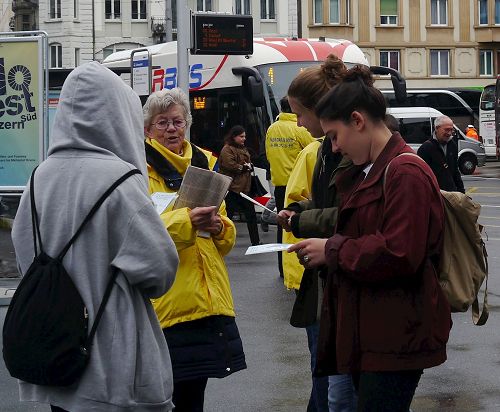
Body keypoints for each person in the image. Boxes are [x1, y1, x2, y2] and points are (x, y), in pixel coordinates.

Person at [11, 62, 179, 412]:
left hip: (56, 357)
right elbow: (159, 272)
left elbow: (26, 253)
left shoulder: (39, 177)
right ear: (118, 114)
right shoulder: (121, 181)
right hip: (113, 370)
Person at [289, 66, 452, 411]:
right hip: (378, 333)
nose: (335, 147)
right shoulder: (371, 169)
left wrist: (331, 250)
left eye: (335, 136)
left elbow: (399, 252)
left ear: (358, 121)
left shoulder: (405, 171)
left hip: (395, 336)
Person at [143, 88, 246, 412]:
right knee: (167, 397)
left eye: (177, 121)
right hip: (168, 303)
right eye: (162, 123)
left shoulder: (205, 163)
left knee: (193, 398)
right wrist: (187, 221)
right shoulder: (139, 169)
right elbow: (141, 233)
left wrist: (219, 227)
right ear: (148, 129)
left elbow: (225, 242)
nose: (171, 129)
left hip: (208, 300)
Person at [277, 54, 358, 412]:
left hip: (343, 281)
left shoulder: (343, 149)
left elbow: (351, 213)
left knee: (336, 392)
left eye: (300, 113)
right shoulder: (325, 147)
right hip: (328, 281)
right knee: (328, 385)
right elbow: (326, 201)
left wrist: (300, 220)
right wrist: (300, 210)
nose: (297, 122)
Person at [266, 96, 316, 276]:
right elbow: (315, 150)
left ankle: (282, 268)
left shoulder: (272, 128)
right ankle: (299, 268)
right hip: (298, 183)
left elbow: (269, 154)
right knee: (296, 225)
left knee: (282, 227)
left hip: (279, 183)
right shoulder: (299, 128)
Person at [218, 125, 261, 245]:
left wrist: (249, 166)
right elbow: (229, 165)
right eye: (241, 136)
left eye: (244, 136)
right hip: (233, 188)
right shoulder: (227, 149)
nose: (244, 139)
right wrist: (244, 167)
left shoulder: (243, 148)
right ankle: (221, 240)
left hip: (244, 188)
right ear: (234, 137)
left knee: (251, 216)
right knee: (227, 216)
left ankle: (256, 242)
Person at [417, 115, 465, 193]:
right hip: (434, 194)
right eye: (446, 130)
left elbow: (455, 171)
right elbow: (421, 176)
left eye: (451, 130)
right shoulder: (425, 148)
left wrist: (462, 192)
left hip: (451, 194)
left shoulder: (452, 145)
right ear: (436, 128)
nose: (449, 133)